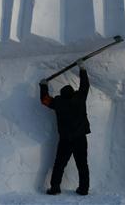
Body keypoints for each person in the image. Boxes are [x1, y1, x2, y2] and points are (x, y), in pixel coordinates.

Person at [40, 60, 90, 196]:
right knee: (82, 164)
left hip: (66, 140)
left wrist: (43, 85)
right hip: (80, 138)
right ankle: (83, 189)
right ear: (73, 93)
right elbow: (85, 86)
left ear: (62, 95)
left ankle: (55, 187)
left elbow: (44, 100)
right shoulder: (79, 98)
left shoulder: (58, 103)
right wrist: (82, 69)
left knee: (59, 164)